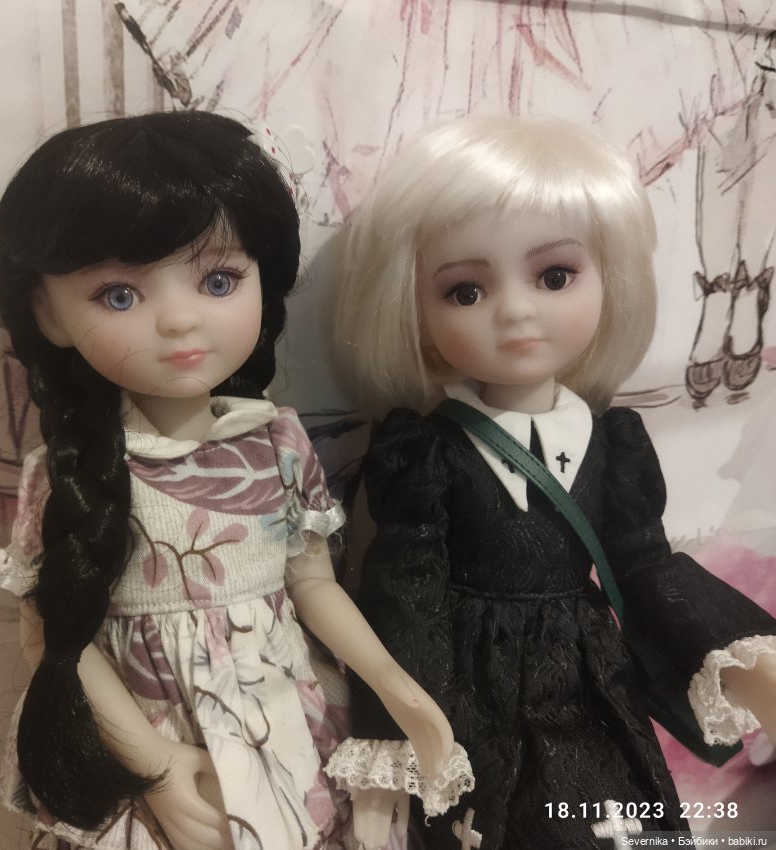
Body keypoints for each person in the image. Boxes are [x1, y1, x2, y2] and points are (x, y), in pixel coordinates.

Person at [0, 111, 470, 850]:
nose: (180, 321)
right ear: (48, 312)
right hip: (151, 736)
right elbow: (54, 638)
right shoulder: (70, 474)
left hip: (287, 719)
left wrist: (395, 685)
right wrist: (155, 767)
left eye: (218, 280)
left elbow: (313, 583)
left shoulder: (275, 440)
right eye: (120, 295)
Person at [329, 114, 776, 849]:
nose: (516, 311)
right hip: (473, 690)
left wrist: (752, 667)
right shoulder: (425, 453)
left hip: (590, 681)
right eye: (464, 291)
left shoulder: (614, 443)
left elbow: (646, 567)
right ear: (410, 305)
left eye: (555, 276)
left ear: (609, 276)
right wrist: (399, 732)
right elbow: (407, 592)